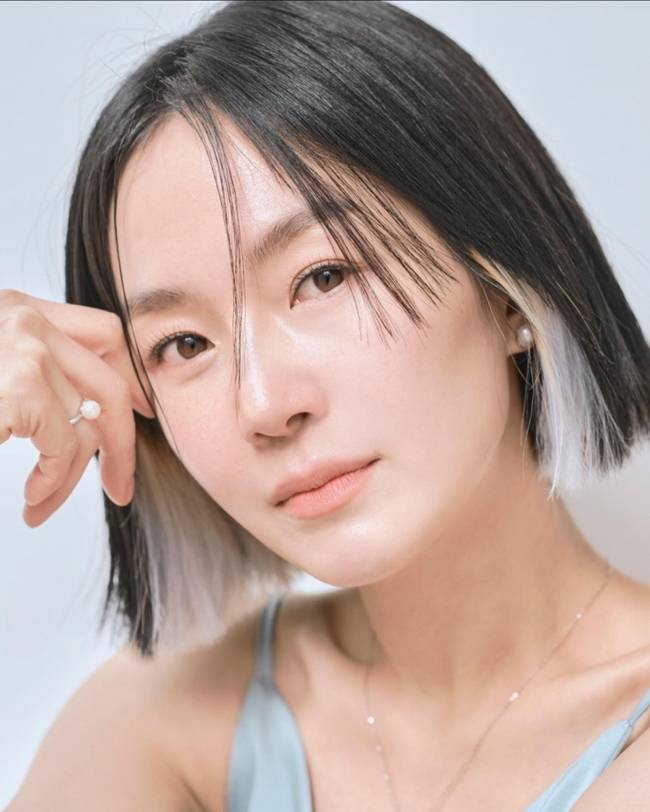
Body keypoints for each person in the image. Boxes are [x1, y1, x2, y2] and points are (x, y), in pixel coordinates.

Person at [2, 1, 650, 810]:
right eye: (185, 344)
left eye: (324, 277)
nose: (264, 404)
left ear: (508, 285)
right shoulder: (166, 717)